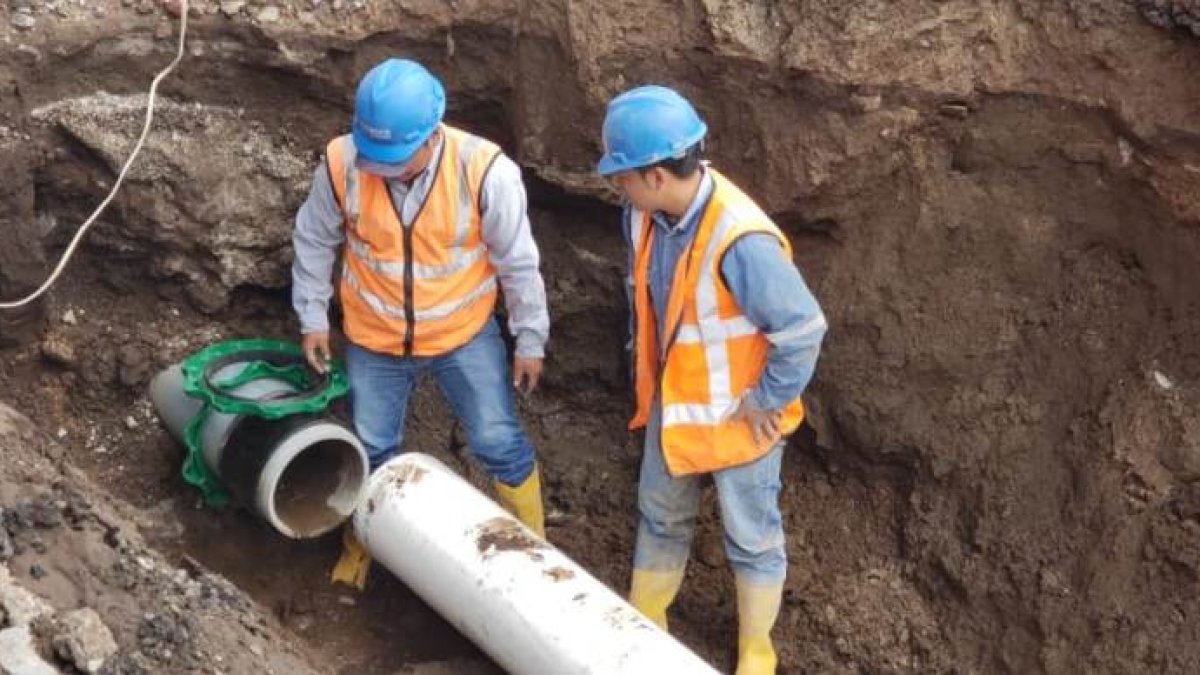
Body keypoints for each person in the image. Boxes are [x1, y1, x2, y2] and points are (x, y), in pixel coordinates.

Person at [292, 58, 550, 590]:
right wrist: (312, 316)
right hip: (374, 337)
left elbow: (518, 262)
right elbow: (315, 239)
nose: (381, 170)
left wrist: (530, 336)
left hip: (462, 334)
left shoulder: (484, 171)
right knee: (372, 444)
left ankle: (537, 550)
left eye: (396, 160)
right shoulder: (342, 163)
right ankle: (361, 541)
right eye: (376, 158)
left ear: (433, 136)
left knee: (497, 438)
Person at [597, 85, 827, 674]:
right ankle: (643, 628)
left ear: (653, 175)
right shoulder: (644, 217)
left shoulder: (740, 240)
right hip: (676, 409)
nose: (616, 186)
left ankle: (756, 650)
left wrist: (767, 400)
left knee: (751, 537)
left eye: (622, 175)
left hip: (739, 421)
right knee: (660, 519)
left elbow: (802, 329)